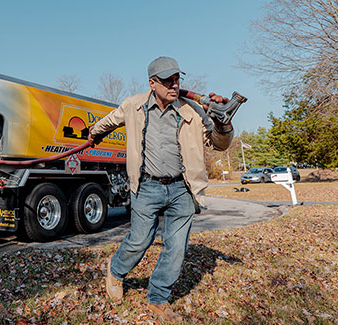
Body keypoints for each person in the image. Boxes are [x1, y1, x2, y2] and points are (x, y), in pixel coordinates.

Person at [88, 56, 234, 321]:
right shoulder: (134, 105)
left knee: (176, 247)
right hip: (146, 187)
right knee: (140, 240)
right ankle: (116, 272)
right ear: (152, 83)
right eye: (167, 80)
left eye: (177, 79)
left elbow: (219, 144)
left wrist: (224, 124)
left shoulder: (192, 110)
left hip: (182, 188)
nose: (174, 85)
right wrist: (94, 133)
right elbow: (111, 120)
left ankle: (158, 298)